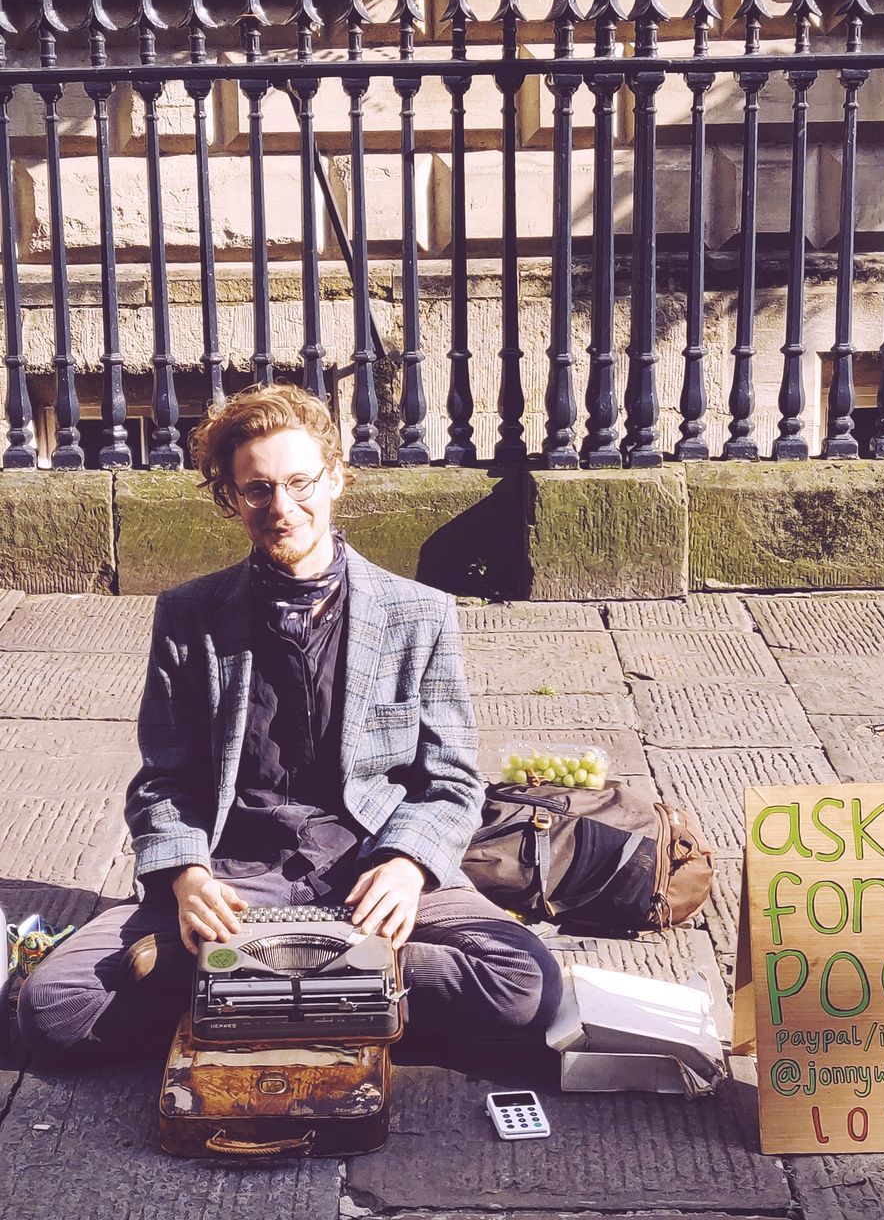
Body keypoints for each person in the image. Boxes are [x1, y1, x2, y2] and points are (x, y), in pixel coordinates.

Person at [18, 383, 562, 1055]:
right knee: (52, 1005)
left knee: (524, 983)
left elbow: (450, 782)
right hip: (233, 877)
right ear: (231, 499)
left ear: (336, 477)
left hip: (367, 870)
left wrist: (406, 865)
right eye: (258, 490)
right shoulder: (190, 616)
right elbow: (162, 782)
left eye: (301, 482)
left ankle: (250, 994)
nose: (282, 508)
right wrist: (188, 879)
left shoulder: (417, 613)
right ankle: (348, 995)